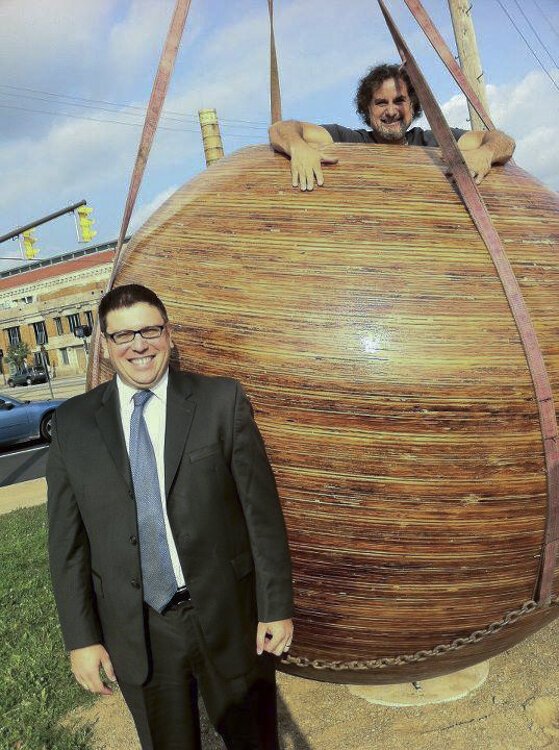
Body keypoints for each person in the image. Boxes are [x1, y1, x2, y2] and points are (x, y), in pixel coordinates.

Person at [47, 283, 294, 750]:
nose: (138, 345)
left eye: (149, 330)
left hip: (226, 614)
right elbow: (67, 547)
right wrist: (81, 639)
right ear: (105, 344)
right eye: (122, 335)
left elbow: (261, 516)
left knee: (255, 740)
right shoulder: (72, 426)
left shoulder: (221, 402)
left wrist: (276, 606)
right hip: (139, 628)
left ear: (169, 334)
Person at [269, 63, 515, 191]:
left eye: (399, 101)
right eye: (380, 103)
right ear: (367, 109)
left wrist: (485, 154)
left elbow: (501, 140)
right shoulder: (347, 140)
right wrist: (298, 147)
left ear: (413, 105)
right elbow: (282, 128)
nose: (391, 110)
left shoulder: (432, 142)